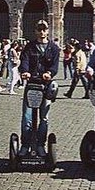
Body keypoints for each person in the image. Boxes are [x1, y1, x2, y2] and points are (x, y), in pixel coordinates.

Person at [18, 20, 60, 157]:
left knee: (44, 118)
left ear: (48, 31)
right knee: (27, 117)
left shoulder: (53, 48)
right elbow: (24, 61)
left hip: (45, 85)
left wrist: (50, 73)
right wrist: (25, 71)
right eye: (39, 29)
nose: (42, 32)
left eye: (44, 29)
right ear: (35, 31)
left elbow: (54, 66)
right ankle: (25, 145)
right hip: (31, 85)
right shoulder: (29, 47)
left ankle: (40, 144)